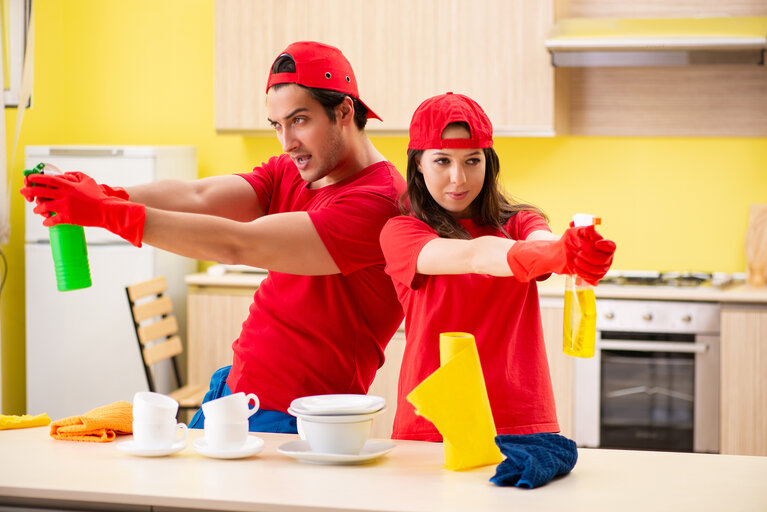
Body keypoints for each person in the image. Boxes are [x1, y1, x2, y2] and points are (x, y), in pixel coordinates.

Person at [22, 41, 406, 433]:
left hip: (298, 419)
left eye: (299, 120)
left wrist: (105, 212)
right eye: (277, 125)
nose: (287, 142)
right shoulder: (296, 169)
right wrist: (103, 194)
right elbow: (197, 196)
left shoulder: (380, 203)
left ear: (343, 111)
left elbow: (238, 243)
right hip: (235, 394)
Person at [379, 92, 616, 441]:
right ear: (418, 164)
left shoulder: (519, 221)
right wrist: (548, 256)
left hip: (521, 418)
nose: (458, 178)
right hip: (436, 423)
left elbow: (540, 241)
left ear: (488, 162)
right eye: (442, 161)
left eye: (472, 161)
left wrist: (570, 250)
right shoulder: (402, 232)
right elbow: (472, 256)